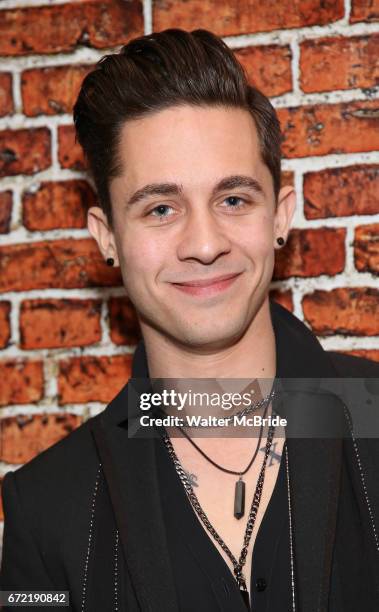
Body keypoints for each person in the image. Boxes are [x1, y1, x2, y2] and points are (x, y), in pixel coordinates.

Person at [1, 28, 378, 612]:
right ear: (108, 237)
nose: (204, 244)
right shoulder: (45, 508)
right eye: (160, 208)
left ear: (279, 217)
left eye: (233, 200)